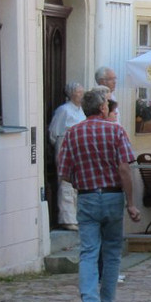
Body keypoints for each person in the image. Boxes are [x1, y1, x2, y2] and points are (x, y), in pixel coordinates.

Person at [56, 87, 140, 302]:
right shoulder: (116, 131)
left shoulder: (73, 133)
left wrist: (82, 182)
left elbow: (64, 173)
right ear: (103, 108)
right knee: (112, 252)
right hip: (113, 196)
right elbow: (124, 169)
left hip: (87, 197)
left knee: (89, 252)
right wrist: (130, 203)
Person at [48, 82, 85, 231]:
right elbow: (53, 132)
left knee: (77, 182)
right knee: (66, 183)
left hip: (79, 146)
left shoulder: (81, 110)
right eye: (78, 92)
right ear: (71, 94)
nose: (81, 95)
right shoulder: (64, 110)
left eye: (82, 92)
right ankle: (67, 218)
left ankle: (76, 216)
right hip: (66, 144)